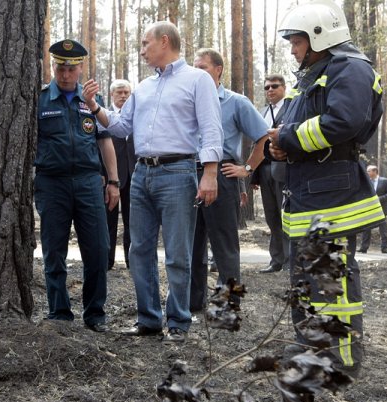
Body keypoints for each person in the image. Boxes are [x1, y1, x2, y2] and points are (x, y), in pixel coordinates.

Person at [83, 21, 223, 343]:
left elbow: (211, 129)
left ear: (164, 41)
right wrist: (94, 107)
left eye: (145, 44)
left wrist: (210, 173)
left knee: (177, 253)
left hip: (178, 172)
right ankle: (148, 319)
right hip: (142, 175)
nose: (142, 51)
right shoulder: (143, 87)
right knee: (139, 250)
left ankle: (178, 322)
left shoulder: (198, 80)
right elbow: (119, 127)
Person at [268, 0, 385, 376]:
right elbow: (291, 123)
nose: (292, 48)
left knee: (331, 282)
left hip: (332, 196)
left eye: (297, 40)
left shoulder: (349, 68)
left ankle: (340, 359)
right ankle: (310, 347)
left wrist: (288, 137)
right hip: (308, 193)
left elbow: (343, 122)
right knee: (305, 280)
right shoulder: (315, 73)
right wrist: (280, 146)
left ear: (320, 36)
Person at [34, 39, 120, 333]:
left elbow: (105, 140)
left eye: (71, 68)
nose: (65, 73)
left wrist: (113, 182)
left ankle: (95, 313)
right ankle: (59, 313)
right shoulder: (41, 99)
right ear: (53, 67)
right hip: (51, 183)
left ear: (81, 68)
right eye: (60, 67)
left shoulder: (91, 101)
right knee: (54, 250)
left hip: (87, 182)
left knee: (98, 249)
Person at [189, 48, 269, 312]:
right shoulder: (188, 99)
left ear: (218, 69)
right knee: (192, 243)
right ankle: (193, 301)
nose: (196, 72)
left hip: (222, 174)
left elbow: (263, 137)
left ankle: (227, 304)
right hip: (188, 173)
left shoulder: (236, 102)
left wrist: (246, 168)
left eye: (202, 68)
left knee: (224, 244)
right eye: (194, 67)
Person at [250, 74, 289, 273]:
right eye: (266, 87)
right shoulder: (262, 112)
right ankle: (276, 260)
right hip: (264, 170)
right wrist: (254, 175)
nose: (270, 90)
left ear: (283, 87)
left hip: (284, 170)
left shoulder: (291, 107)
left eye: (274, 86)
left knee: (286, 216)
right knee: (271, 216)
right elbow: (257, 143)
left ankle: (291, 260)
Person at [104, 79, 137, 270]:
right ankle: (107, 261)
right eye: (119, 92)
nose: (123, 96)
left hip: (134, 175)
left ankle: (131, 261)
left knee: (132, 221)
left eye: (126, 92)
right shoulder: (103, 116)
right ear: (112, 95)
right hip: (111, 178)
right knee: (109, 220)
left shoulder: (137, 116)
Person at [358, 165, 387, 254]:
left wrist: (379, 199)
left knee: (383, 229)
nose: (367, 173)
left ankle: (384, 248)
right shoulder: (366, 182)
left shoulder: (385, 181)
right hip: (369, 209)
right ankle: (363, 248)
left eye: (368, 171)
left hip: (381, 209)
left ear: (374, 172)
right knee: (366, 229)